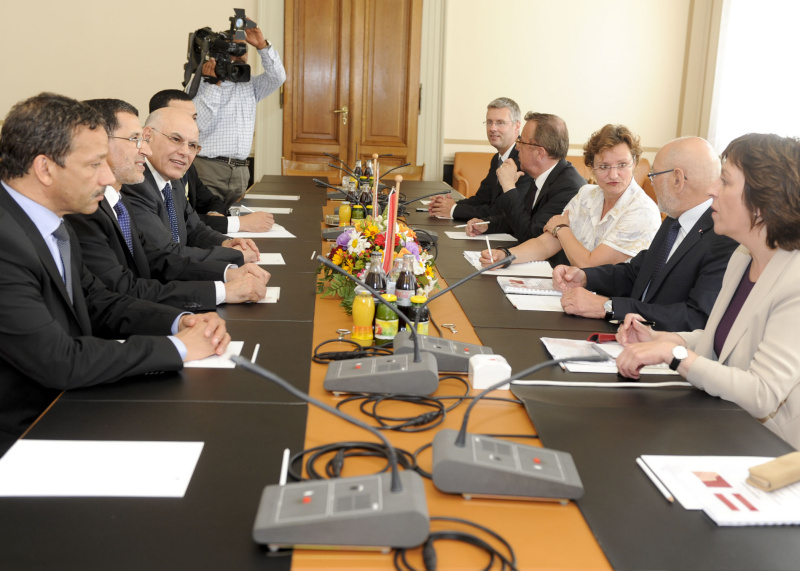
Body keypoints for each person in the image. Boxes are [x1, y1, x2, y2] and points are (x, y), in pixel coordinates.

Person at [0, 93, 230, 451]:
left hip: (69, 402)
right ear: (45, 169)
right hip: (25, 435)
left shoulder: (54, 222)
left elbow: (99, 301)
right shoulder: (6, 243)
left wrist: (179, 321)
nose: (107, 176)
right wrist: (178, 348)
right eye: (95, 164)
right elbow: (59, 360)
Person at [615, 133, 800, 449]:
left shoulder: (794, 281)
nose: (712, 189)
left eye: (725, 181)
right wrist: (662, 339)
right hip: (724, 421)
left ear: (762, 201)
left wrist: (673, 355)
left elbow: (762, 394)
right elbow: (720, 344)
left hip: (772, 449)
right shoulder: (742, 257)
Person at [66, 99, 268, 310]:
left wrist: (227, 272)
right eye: (136, 139)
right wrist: (222, 290)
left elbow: (156, 257)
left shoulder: (123, 198)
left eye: (192, 145)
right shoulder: (89, 209)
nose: (145, 150)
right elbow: (123, 290)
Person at [553, 137, 738, 331]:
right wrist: (585, 277)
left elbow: (695, 318)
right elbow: (636, 273)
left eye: (654, 174)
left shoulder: (723, 237)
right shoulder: (675, 220)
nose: (652, 182)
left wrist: (608, 307)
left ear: (677, 179)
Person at [480, 124, 660, 269]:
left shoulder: (642, 211)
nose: (613, 175)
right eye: (604, 166)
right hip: (573, 286)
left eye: (622, 165)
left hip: (610, 299)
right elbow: (546, 244)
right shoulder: (587, 195)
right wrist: (506, 255)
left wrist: (561, 228)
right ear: (592, 167)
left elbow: (590, 264)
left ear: (634, 163)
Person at [122, 107, 260, 265]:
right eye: (176, 139)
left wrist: (226, 243)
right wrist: (231, 255)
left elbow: (194, 229)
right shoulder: (135, 183)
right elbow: (166, 253)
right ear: (147, 136)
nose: (185, 152)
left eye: (193, 145)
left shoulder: (173, 178)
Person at [149, 89, 274, 234]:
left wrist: (215, 216)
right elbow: (176, 221)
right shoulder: (141, 175)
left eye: (194, 118)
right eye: (182, 117)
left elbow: (211, 202)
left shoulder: (186, 166)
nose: (191, 124)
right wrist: (238, 223)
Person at [192, 18, 286, 206]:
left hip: (241, 172)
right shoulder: (202, 83)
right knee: (208, 220)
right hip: (208, 170)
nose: (239, 56)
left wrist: (262, 46)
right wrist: (214, 84)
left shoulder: (251, 85)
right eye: (233, 51)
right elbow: (197, 124)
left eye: (243, 50)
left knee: (237, 221)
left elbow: (278, 77)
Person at [465, 112, 585, 243]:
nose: (517, 147)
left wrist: (509, 186)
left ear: (539, 153)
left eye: (521, 142)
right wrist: (488, 225)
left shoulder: (568, 188)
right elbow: (523, 218)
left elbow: (531, 235)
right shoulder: (543, 175)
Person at [428, 97, 533, 220]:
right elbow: (482, 199)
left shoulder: (524, 161)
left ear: (516, 126)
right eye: (489, 122)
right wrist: (447, 205)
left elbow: (501, 211)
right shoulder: (497, 159)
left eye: (500, 122)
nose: (492, 128)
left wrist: (453, 210)